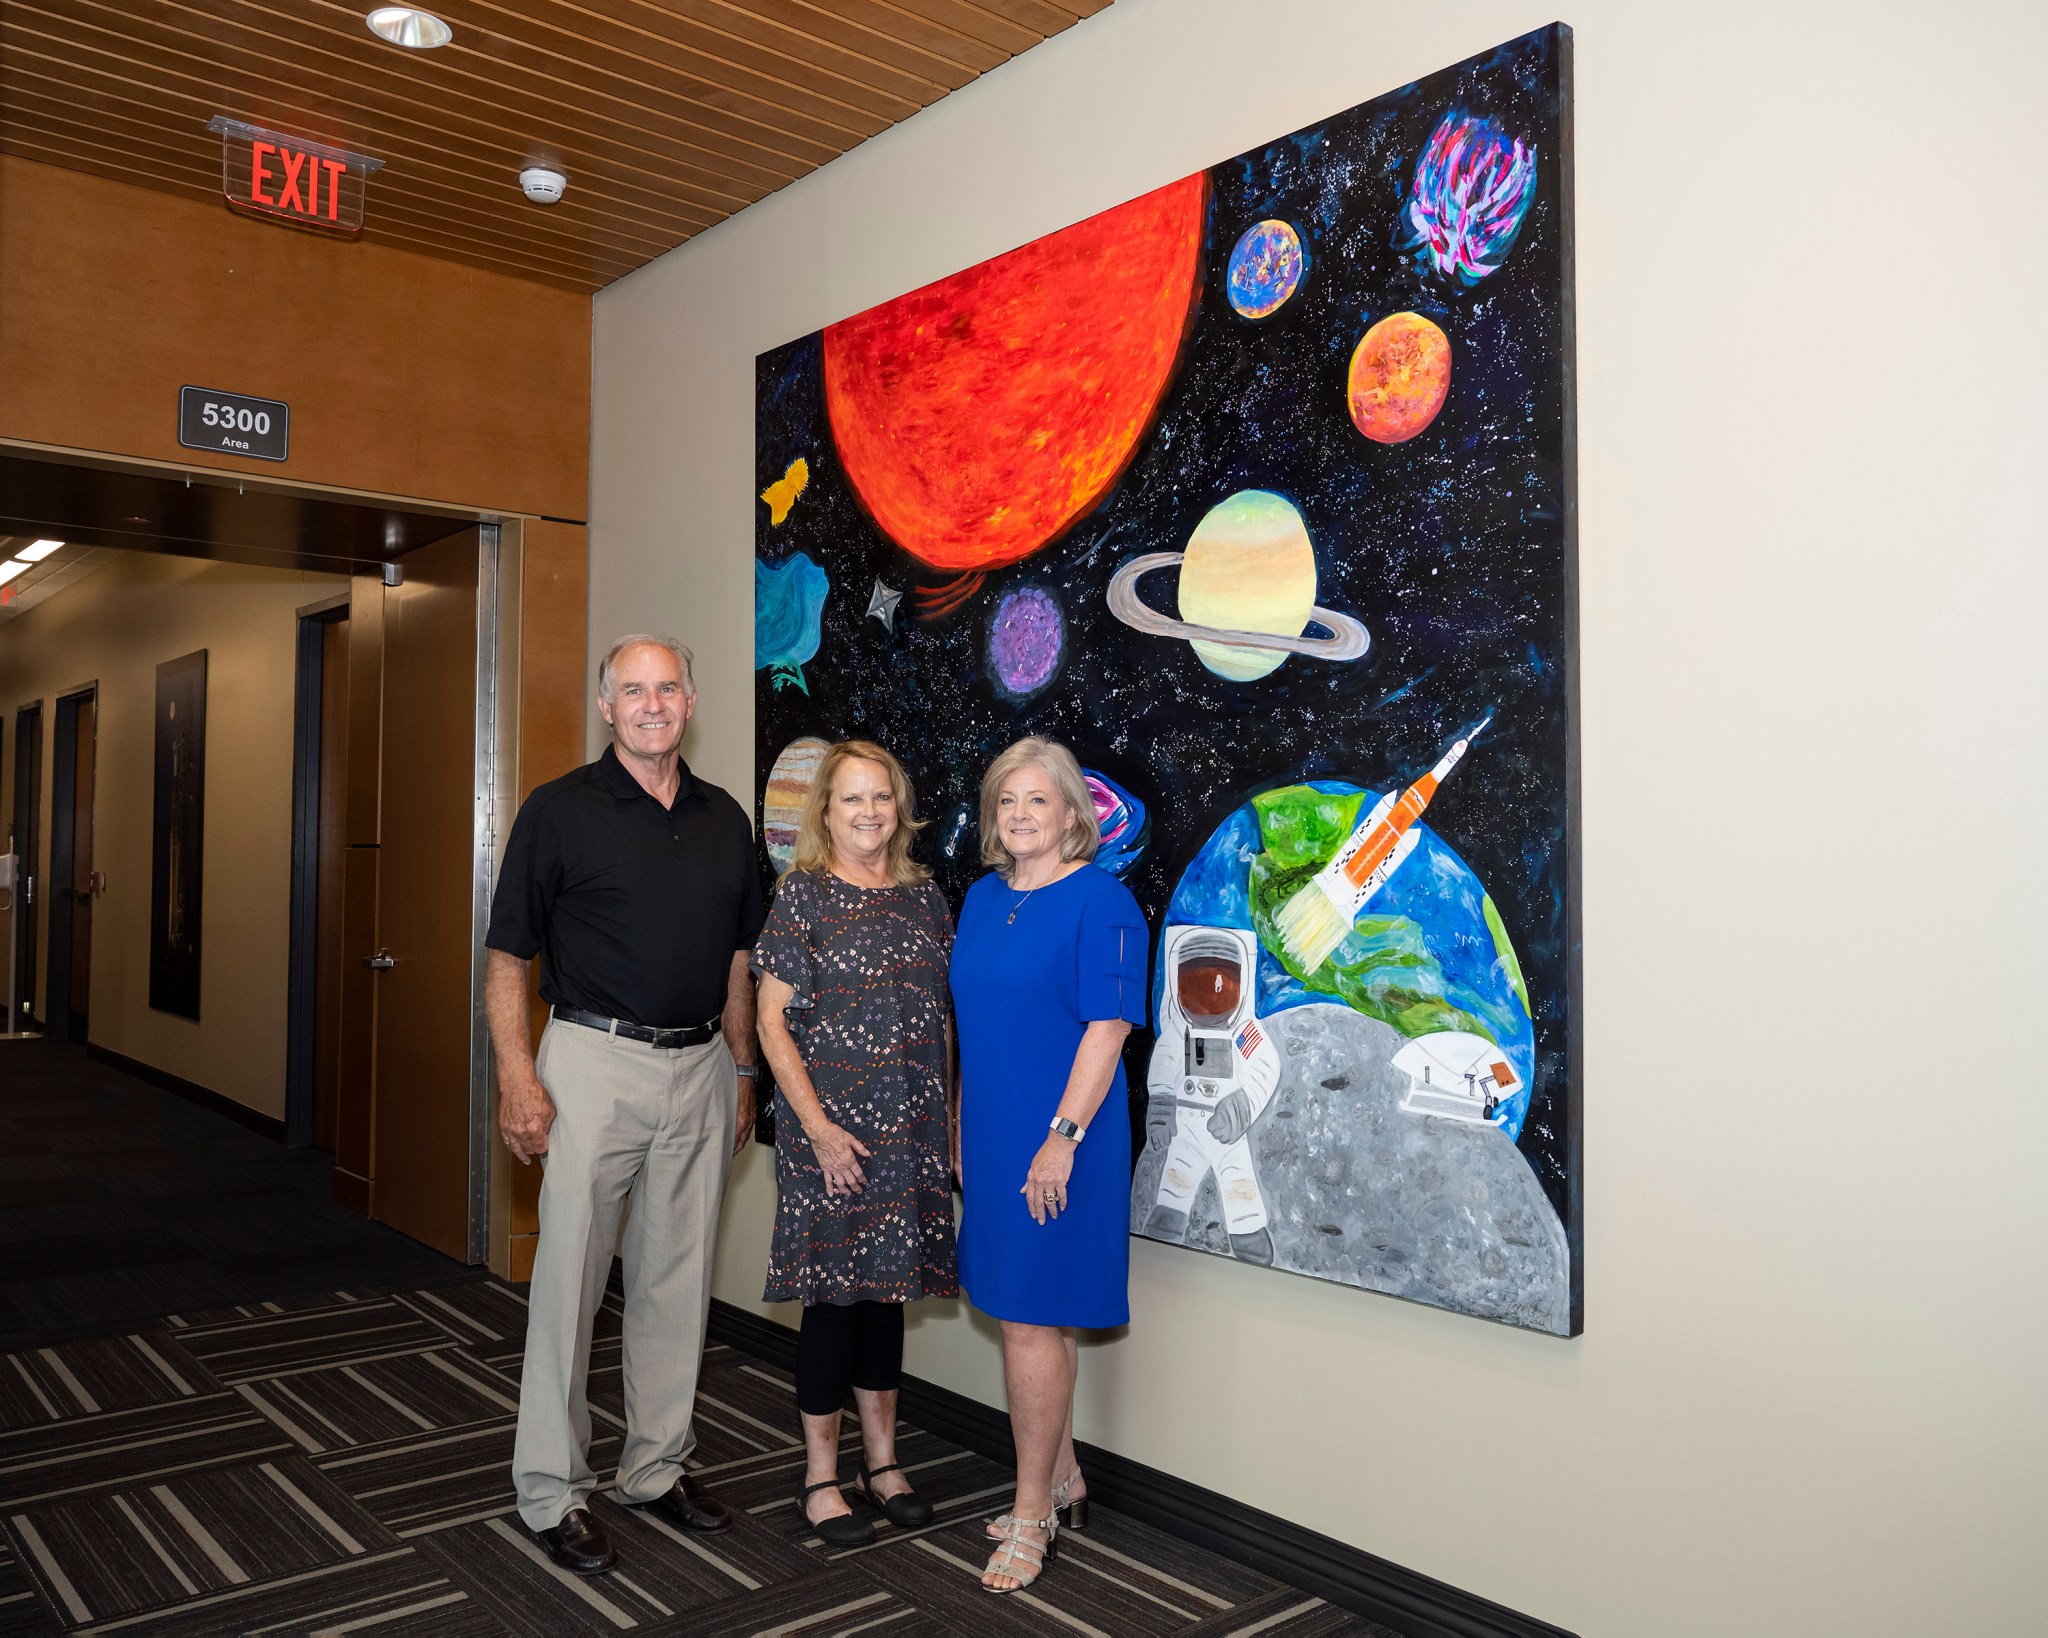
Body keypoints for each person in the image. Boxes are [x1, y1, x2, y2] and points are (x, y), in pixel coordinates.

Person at [484, 634, 764, 1576]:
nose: (652, 705)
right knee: (569, 1284)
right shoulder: (558, 811)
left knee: (674, 1286)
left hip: (699, 1071)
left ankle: (655, 1467)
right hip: (590, 1067)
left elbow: (738, 958)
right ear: (607, 707)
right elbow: (506, 958)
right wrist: (518, 1078)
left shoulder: (727, 818)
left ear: (692, 700)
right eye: (632, 691)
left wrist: (742, 1071)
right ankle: (551, 1491)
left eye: (668, 688)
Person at [949, 736, 1147, 1593]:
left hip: (1065, 1138)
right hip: (993, 1135)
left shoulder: (1104, 903)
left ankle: (1033, 1514)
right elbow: (969, 1023)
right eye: (1006, 801)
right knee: (1023, 1311)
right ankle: (1062, 1477)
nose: (1020, 815)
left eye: (1038, 800)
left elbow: (1108, 1030)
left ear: (1073, 814)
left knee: (1032, 1316)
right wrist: (960, 1122)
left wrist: (1060, 1138)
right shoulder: (983, 900)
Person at [752, 741, 958, 1546]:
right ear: (825, 812)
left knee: (885, 1301)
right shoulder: (802, 896)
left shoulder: (924, 898)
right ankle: (820, 1477)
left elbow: (942, 1021)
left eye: (881, 798)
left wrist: (945, 1129)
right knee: (834, 1304)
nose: (868, 813)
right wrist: (820, 1130)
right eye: (851, 800)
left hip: (908, 1132)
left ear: (898, 808)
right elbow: (771, 1023)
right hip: (828, 1134)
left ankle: (883, 1466)